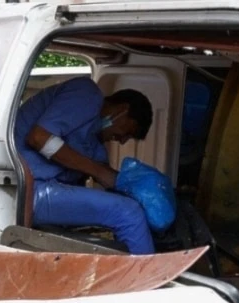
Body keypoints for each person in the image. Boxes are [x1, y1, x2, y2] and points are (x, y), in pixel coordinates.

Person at [14, 77, 155, 254]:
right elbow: (39, 137)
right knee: (129, 214)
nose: (123, 140)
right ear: (122, 110)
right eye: (129, 131)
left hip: (41, 192)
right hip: (23, 189)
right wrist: (99, 171)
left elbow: (105, 180)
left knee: (127, 208)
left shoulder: (94, 145)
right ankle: (147, 280)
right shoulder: (87, 93)